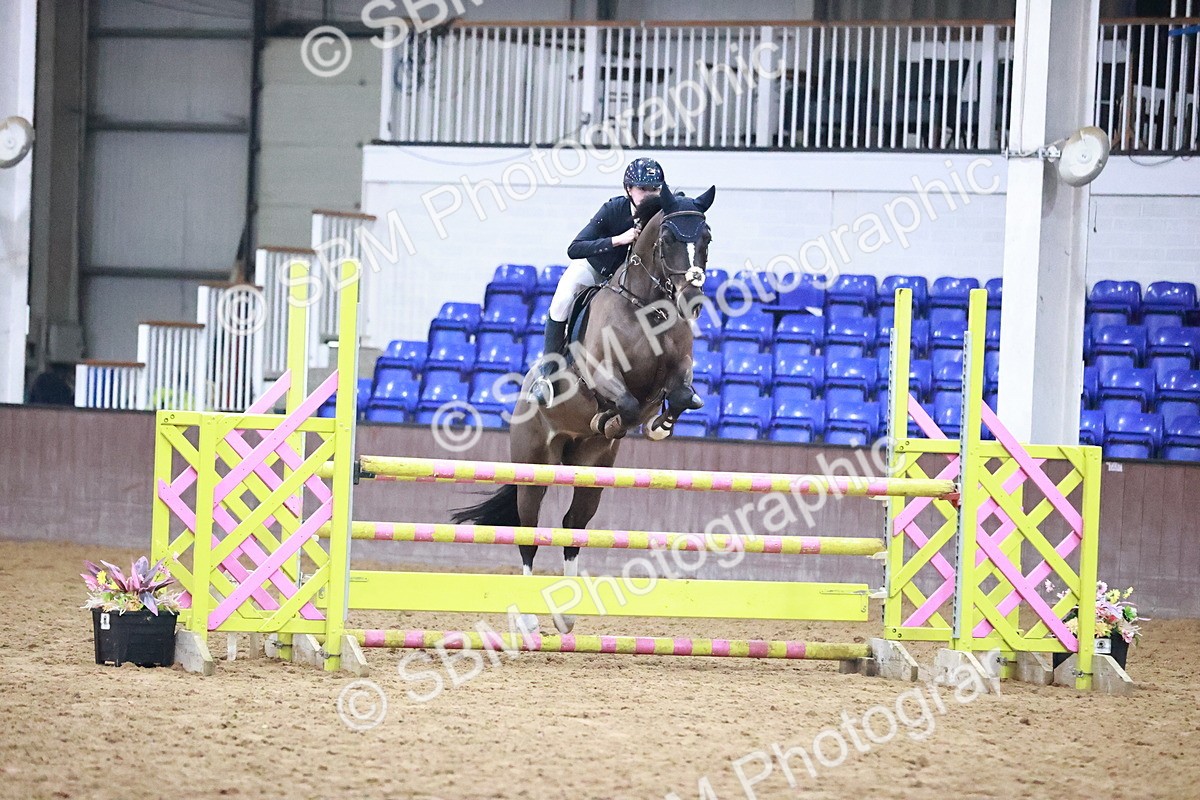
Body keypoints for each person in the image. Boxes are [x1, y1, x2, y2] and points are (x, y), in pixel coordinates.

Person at [529, 157, 666, 406]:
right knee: (561, 300)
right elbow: (575, 248)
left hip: (628, 284)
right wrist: (618, 239)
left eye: (655, 189)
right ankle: (548, 375)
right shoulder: (614, 210)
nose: (649, 195)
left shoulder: (659, 218)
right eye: (642, 189)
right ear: (628, 189)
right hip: (594, 270)